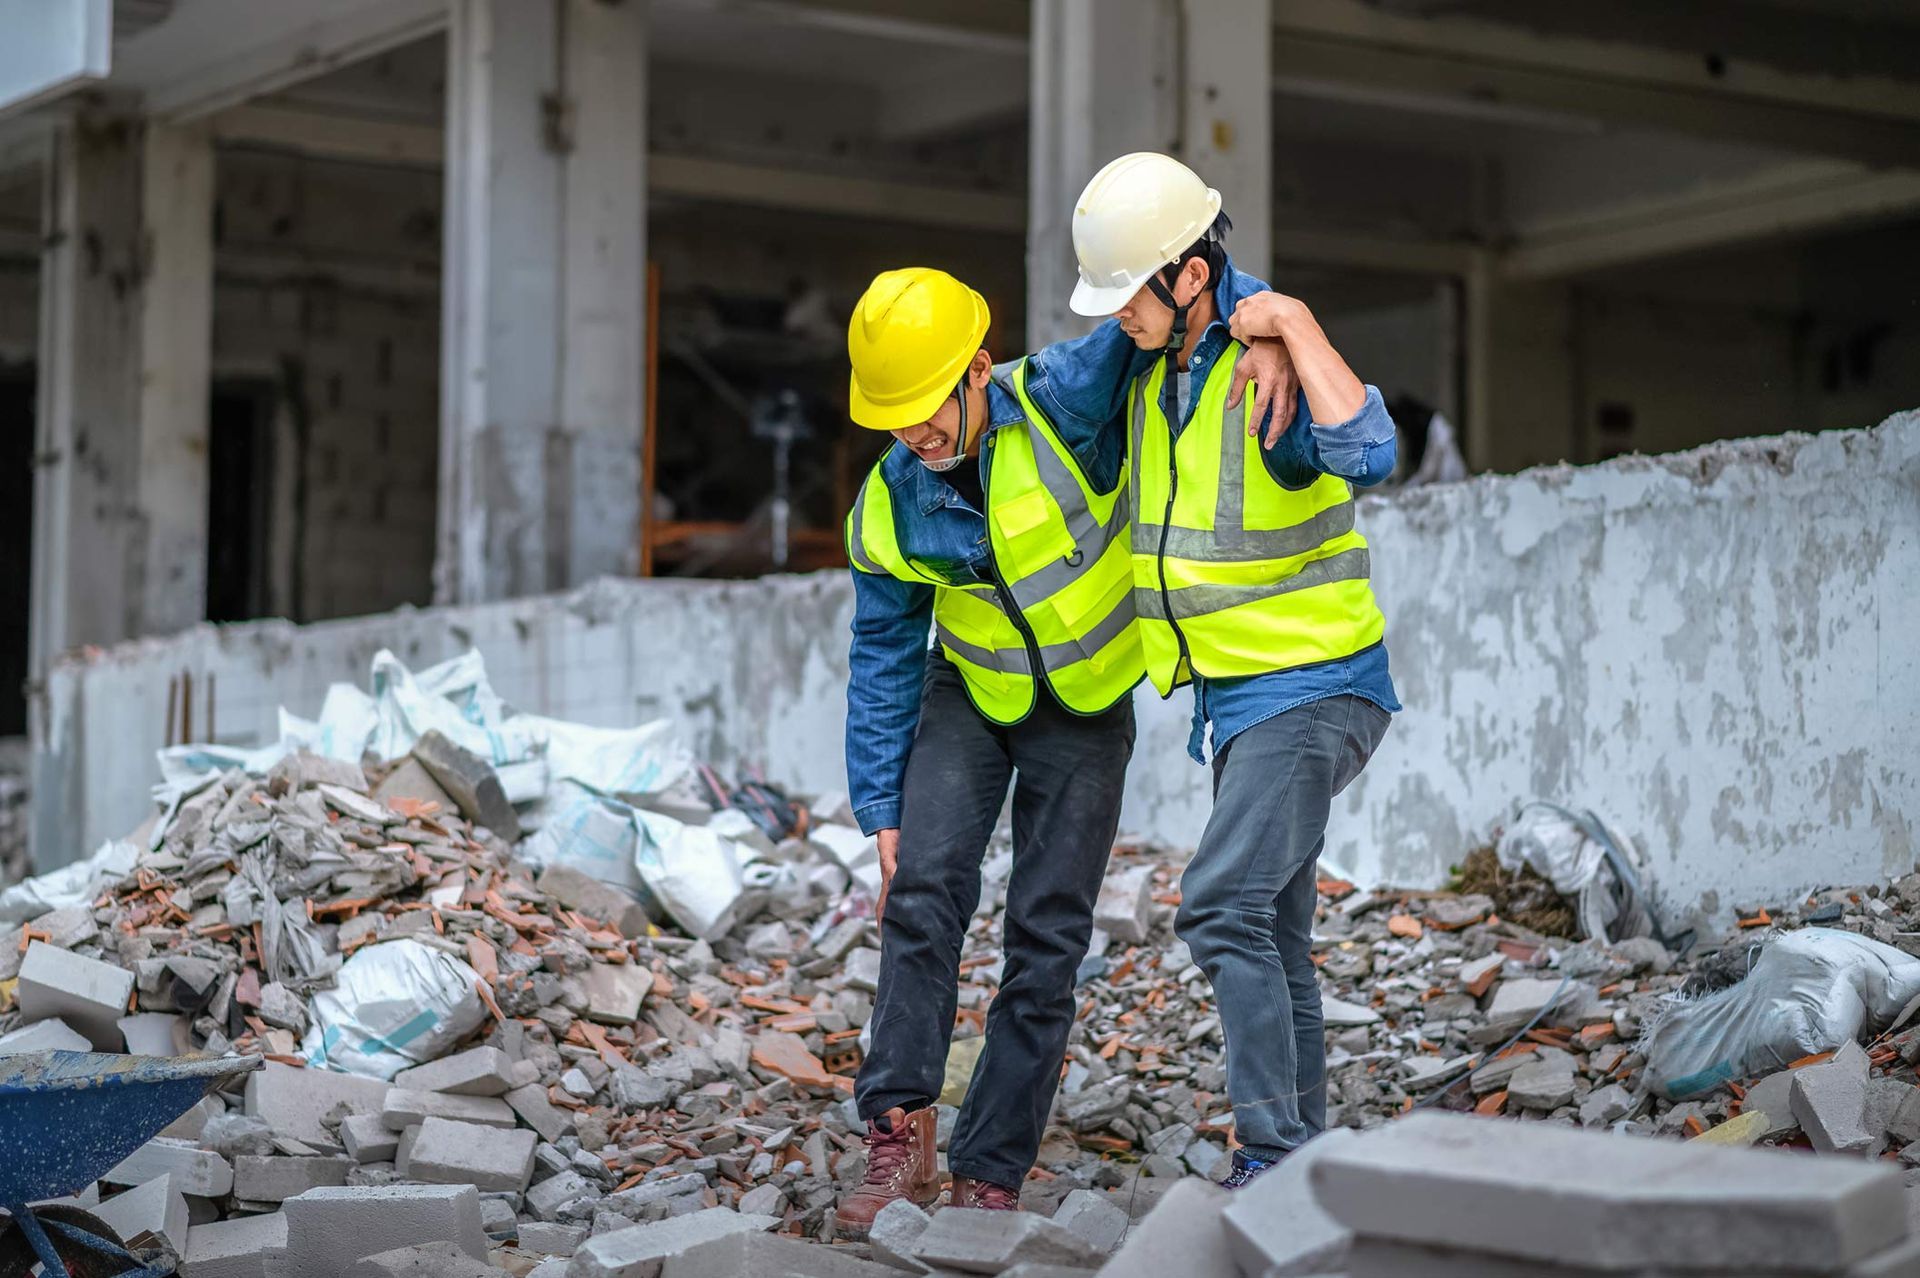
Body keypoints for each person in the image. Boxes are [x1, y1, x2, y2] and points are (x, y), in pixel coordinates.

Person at [834, 267, 1289, 1229]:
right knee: (920, 896)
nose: (914, 432)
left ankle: (989, 1166)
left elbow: (1171, 285)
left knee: (1046, 940)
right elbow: (882, 651)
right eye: (894, 415)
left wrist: (1275, 327)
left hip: (1085, 708)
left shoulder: (1062, 399)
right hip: (969, 691)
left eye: (927, 406)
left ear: (978, 369)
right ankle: (897, 1130)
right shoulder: (890, 502)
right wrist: (879, 804)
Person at [1067, 152, 1401, 1187]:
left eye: (1130, 294)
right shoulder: (1156, 363)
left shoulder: (1269, 368)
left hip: (1313, 686)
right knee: (1275, 929)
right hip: (1243, 700)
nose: (1117, 315)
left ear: (1190, 277)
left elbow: (1372, 451)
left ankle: (1271, 1156)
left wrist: (1290, 326)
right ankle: (1303, 1160)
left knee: (1218, 905)